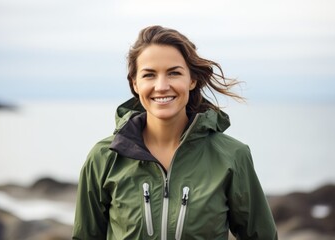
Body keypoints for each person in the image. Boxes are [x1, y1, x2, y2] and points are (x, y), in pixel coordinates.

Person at [72, 25, 278, 240]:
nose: (161, 86)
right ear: (135, 83)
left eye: (174, 73)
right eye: (149, 75)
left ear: (192, 80)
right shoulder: (105, 157)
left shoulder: (232, 156)